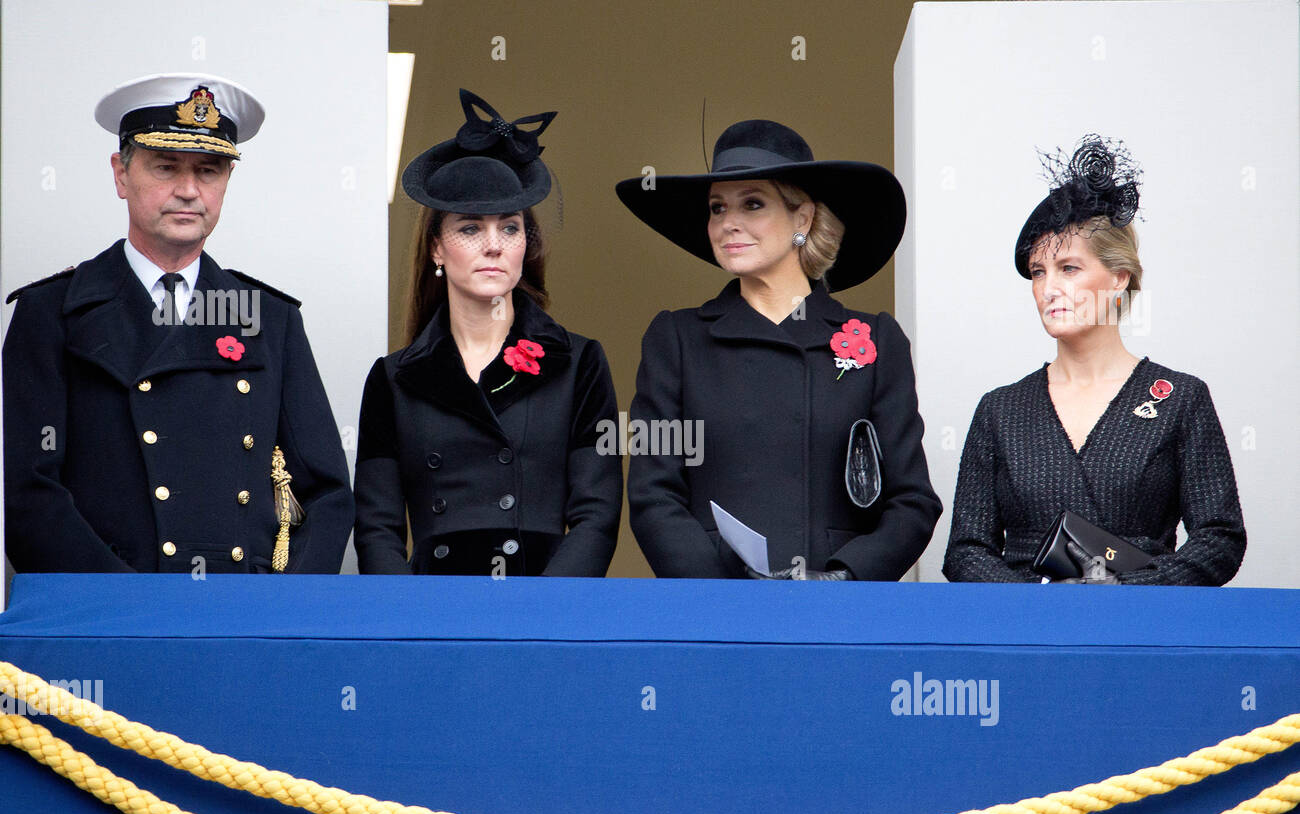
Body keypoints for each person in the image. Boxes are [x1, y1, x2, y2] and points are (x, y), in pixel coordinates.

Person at [3, 74, 353, 574]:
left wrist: (281, 608)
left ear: (226, 183)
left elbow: (327, 494)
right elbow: (27, 489)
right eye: (166, 167)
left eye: (208, 171)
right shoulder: (51, 313)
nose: (188, 190)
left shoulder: (270, 319)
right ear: (121, 175)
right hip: (108, 616)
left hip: (243, 616)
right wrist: (126, 606)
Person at [616, 119, 941, 579]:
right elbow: (653, 494)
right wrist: (718, 593)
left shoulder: (877, 340)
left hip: (836, 616)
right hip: (717, 613)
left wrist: (844, 578)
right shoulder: (676, 339)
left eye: (752, 204)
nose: (729, 223)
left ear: (802, 219)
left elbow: (912, 501)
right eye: (716, 208)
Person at [943, 136, 1246, 585]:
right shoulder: (1000, 409)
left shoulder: (1180, 398)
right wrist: (1038, 599)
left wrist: (1128, 587)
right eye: (1038, 272)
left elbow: (1219, 538)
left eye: (1069, 269)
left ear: (1118, 278)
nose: (1048, 288)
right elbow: (967, 549)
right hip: (1026, 634)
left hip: (1139, 629)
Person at [353, 90, 621, 576]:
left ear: (526, 245)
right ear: (437, 248)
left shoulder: (578, 362)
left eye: (511, 228)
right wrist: (404, 617)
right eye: (471, 229)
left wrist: (546, 612)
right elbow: (377, 527)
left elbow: (597, 516)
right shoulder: (393, 379)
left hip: (541, 606)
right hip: (431, 610)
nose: (494, 246)